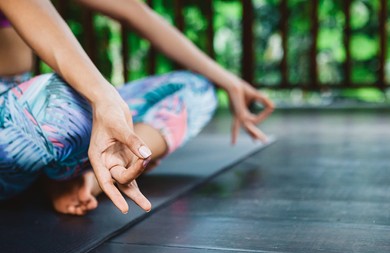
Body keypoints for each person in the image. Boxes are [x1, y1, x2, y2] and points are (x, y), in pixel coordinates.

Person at [0, 0, 274, 216]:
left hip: (26, 109)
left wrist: (230, 83)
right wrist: (102, 98)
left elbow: (133, 10)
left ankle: (97, 176)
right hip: (19, 124)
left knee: (197, 89)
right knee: (61, 103)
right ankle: (66, 173)